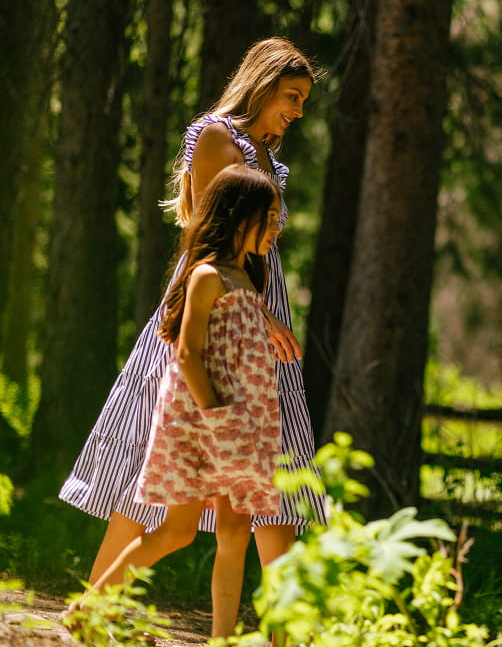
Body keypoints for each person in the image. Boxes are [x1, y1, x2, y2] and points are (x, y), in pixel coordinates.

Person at [58, 37, 325, 638]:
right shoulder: (215, 137)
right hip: (214, 306)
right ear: (261, 83)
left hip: (261, 310)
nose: (299, 112)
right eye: (292, 96)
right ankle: (92, 614)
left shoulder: (268, 157)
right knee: (145, 468)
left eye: (305, 101)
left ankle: (288, 631)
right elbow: (211, 235)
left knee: (274, 469)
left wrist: (268, 314)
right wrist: (259, 314)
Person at [68, 164, 285, 626]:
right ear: (238, 216)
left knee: (235, 531)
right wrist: (216, 416)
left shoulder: (248, 277)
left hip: (241, 423)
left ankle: (223, 638)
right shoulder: (206, 275)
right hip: (202, 421)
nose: (274, 229)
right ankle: (86, 610)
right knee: (176, 531)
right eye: (267, 219)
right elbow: (187, 354)